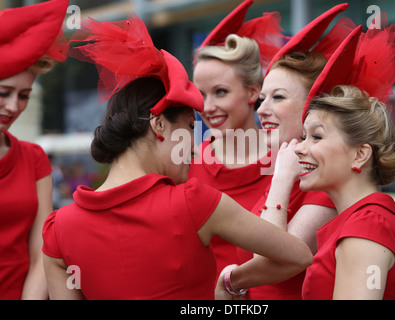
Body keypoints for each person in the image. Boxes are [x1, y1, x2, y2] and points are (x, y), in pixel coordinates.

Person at [42, 14, 313, 300]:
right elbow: (297, 255)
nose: (192, 144)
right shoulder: (193, 199)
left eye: (220, 92)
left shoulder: (57, 229)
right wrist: (227, 286)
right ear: (158, 125)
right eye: (188, 127)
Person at [232, 4, 352, 300]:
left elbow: (275, 258)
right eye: (262, 98)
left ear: (313, 106)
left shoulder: (324, 184)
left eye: (278, 97)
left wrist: (230, 281)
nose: (262, 109)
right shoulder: (288, 170)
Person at [295, 14, 395, 300]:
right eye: (303, 136)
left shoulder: (368, 224)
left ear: (360, 154)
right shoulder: (360, 221)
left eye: (316, 136)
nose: (299, 148)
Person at [189, 0, 288, 279]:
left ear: (253, 92)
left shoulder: (289, 162)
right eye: (201, 93)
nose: (207, 107)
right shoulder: (186, 166)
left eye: (220, 92)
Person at [0, 0, 68, 299]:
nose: (14, 106)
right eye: (4, 93)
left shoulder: (33, 158)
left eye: (24, 95)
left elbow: (42, 252)